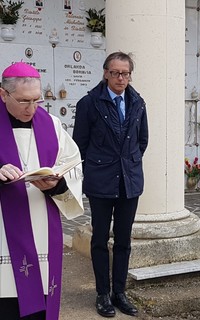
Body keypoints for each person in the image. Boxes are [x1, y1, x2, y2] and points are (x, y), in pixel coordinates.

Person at [0, 62, 84, 319]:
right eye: (24, 101)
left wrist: (56, 185)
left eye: (37, 100)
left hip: (41, 229)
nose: (32, 108)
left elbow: (72, 165)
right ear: (3, 94)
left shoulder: (52, 125)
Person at [73, 51, 148, 318]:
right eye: (115, 72)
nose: (120, 78)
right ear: (105, 73)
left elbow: (142, 141)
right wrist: (94, 170)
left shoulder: (138, 102)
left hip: (129, 181)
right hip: (101, 181)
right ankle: (102, 294)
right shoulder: (89, 103)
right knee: (100, 239)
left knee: (124, 240)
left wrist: (128, 162)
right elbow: (79, 145)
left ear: (130, 75)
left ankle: (120, 292)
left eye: (125, 73)